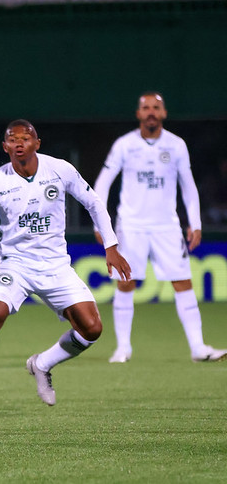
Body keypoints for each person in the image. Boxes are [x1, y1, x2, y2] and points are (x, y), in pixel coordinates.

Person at [0, 120, 131, 416]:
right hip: (15, 265)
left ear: (37, 144)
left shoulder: (60, 169)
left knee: (92, 329)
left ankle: (42, 364)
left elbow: (93, 202)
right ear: (4, 147)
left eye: (26, 138)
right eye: (12, 139)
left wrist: (111, 246)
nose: (19, 143)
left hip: (56, 265)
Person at [93, 92, 227, 363]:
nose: (151, 112)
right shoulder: (124, 145)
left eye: (156, 107)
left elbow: (188, 186)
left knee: (183, 282)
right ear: (138, 114)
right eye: (146, 108)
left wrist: (195, 223)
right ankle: (123, 348)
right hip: (130, 225)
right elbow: (103, 183)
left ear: (164, 113)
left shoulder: (176, 145)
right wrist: (101, 223)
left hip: (167, 225)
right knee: (125, 282)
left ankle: (198, 348)